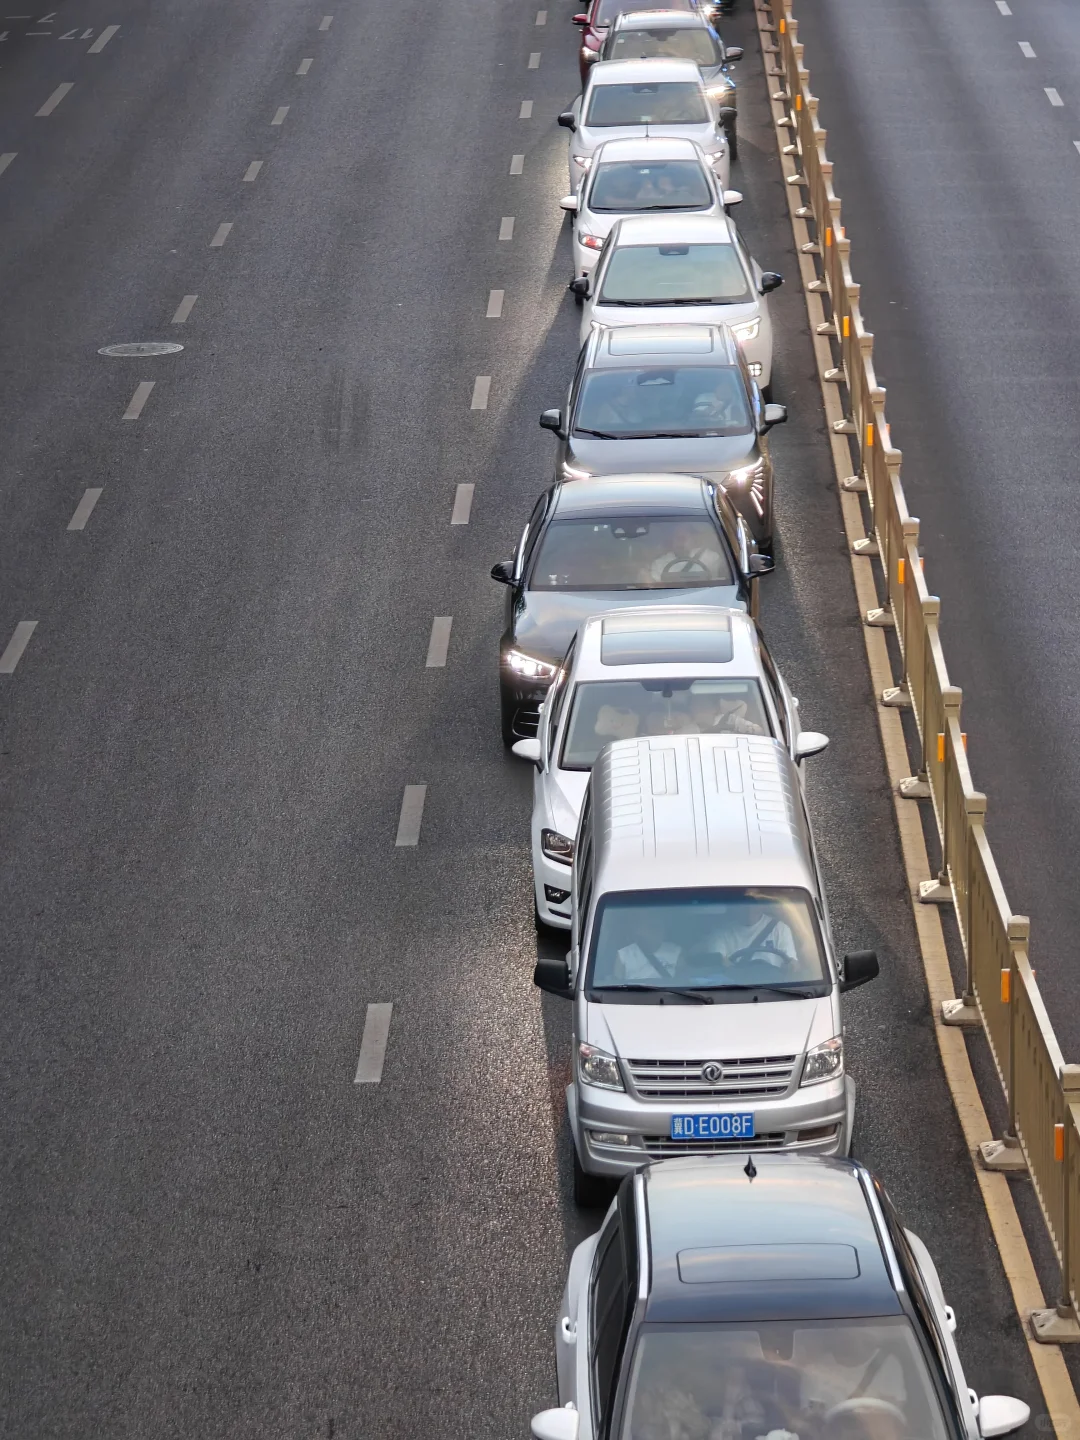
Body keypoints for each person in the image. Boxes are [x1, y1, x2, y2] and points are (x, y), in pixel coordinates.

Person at [649, 523, 724, 582]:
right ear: (671, 540)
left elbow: (718, 581)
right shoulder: (659, 563)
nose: (680, 543)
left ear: (693, 539)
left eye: (683, 538)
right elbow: (658, 588)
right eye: (677, 538)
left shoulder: (710, 557)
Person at [687, 690, 766, 735]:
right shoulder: (687, 730)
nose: (697, 710)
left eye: (702, 706)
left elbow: (759, 731)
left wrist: (750, 730)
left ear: (714, 709)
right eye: (695, 706)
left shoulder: (730, 720)